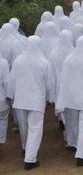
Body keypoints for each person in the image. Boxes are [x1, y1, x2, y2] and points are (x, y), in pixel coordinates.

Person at [6, 36, 56, 170]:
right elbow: (50, 83)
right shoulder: (44, 62)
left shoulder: (18, 60)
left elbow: (12, 80)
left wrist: (9, 95)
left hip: (20, 100)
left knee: (24, 128)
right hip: (36, 101)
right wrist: (51, 99)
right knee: (35, 129)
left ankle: (25, 148)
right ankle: (30, 159)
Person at [56, 36, 83, 167]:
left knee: (72, 123)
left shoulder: (68, 58)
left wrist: (60, 96)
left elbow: (62, 77)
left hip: (70, 97)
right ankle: (81, 155)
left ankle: (72, 143)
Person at [0, 54, 10, 145]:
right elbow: (6, 81)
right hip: (1, 99)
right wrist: (9, 95)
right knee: (2, 120)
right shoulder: (3, 63)